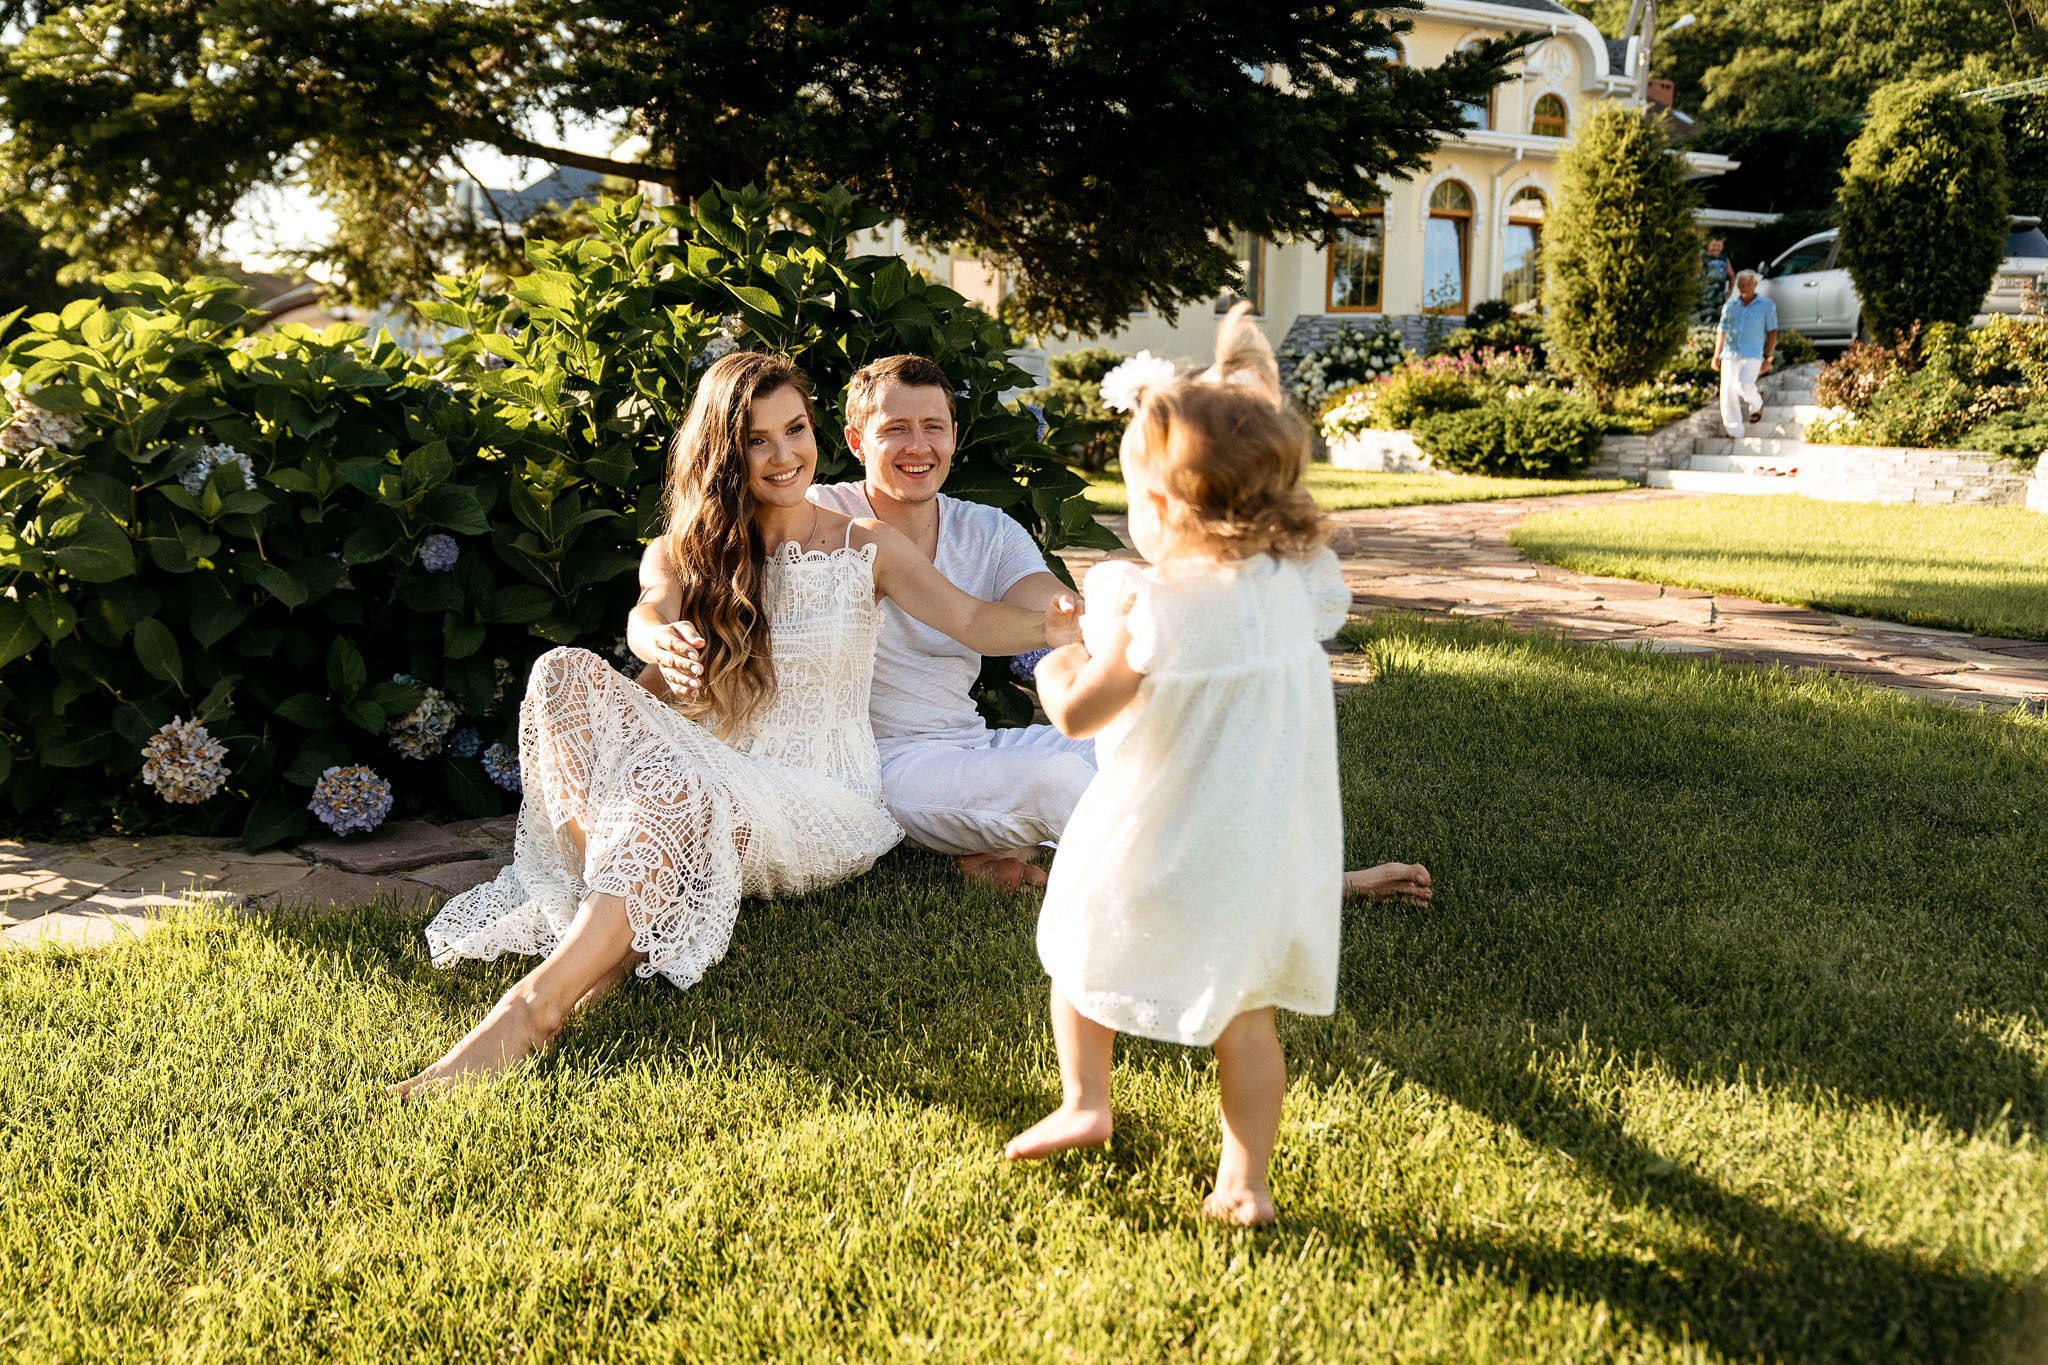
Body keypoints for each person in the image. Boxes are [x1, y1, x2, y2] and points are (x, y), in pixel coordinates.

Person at [392, 351, 1075, 1095]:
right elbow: (648, 611)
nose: (784, 454)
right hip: (714, 770)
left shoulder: (866, 546)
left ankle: (534, 1008)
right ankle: (618, 924)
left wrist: (1067, 621)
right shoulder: (689, 551)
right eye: (758, 439)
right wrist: (661, 639)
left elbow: (973, 618)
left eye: (796, 429)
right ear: (726, 452)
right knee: (561, 672)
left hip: (823, 797)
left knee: (675, 784)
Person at [1003, 306, 1351, 1226]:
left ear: (1163, 508)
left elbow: (1080, 714)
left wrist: (1058, 659)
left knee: (1077, 953)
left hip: (1159, 830)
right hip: (1265, 834)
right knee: (1247, 1012)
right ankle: (1245, 1180)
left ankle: (1087, 1102)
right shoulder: (1300, 580)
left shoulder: (1149, 606)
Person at [1711, 269, 1778, 440]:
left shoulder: (1766, 306)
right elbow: (1722, 330)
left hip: (1753, 355)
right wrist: (1716, 354)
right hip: (1730, 354)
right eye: (1741, 284)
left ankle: (1756, 404)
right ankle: (1735, 432)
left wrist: (1769, 357)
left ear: (1755, 285)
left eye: (1748, 283)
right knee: (1727, 394)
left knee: (1744, 385)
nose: (1744, 287)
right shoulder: (1730, 306)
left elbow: (1772, 332)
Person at [1695, 236, 1733, 325]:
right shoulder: (1702, 258)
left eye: (1719, 245)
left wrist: (1729, 292)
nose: (1716, 248)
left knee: (1718, 321)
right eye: (1714, 245)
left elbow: (1732, 276)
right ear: (1708, 245)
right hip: (1705, 298)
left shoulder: (1724, 259)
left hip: (1719, 298)